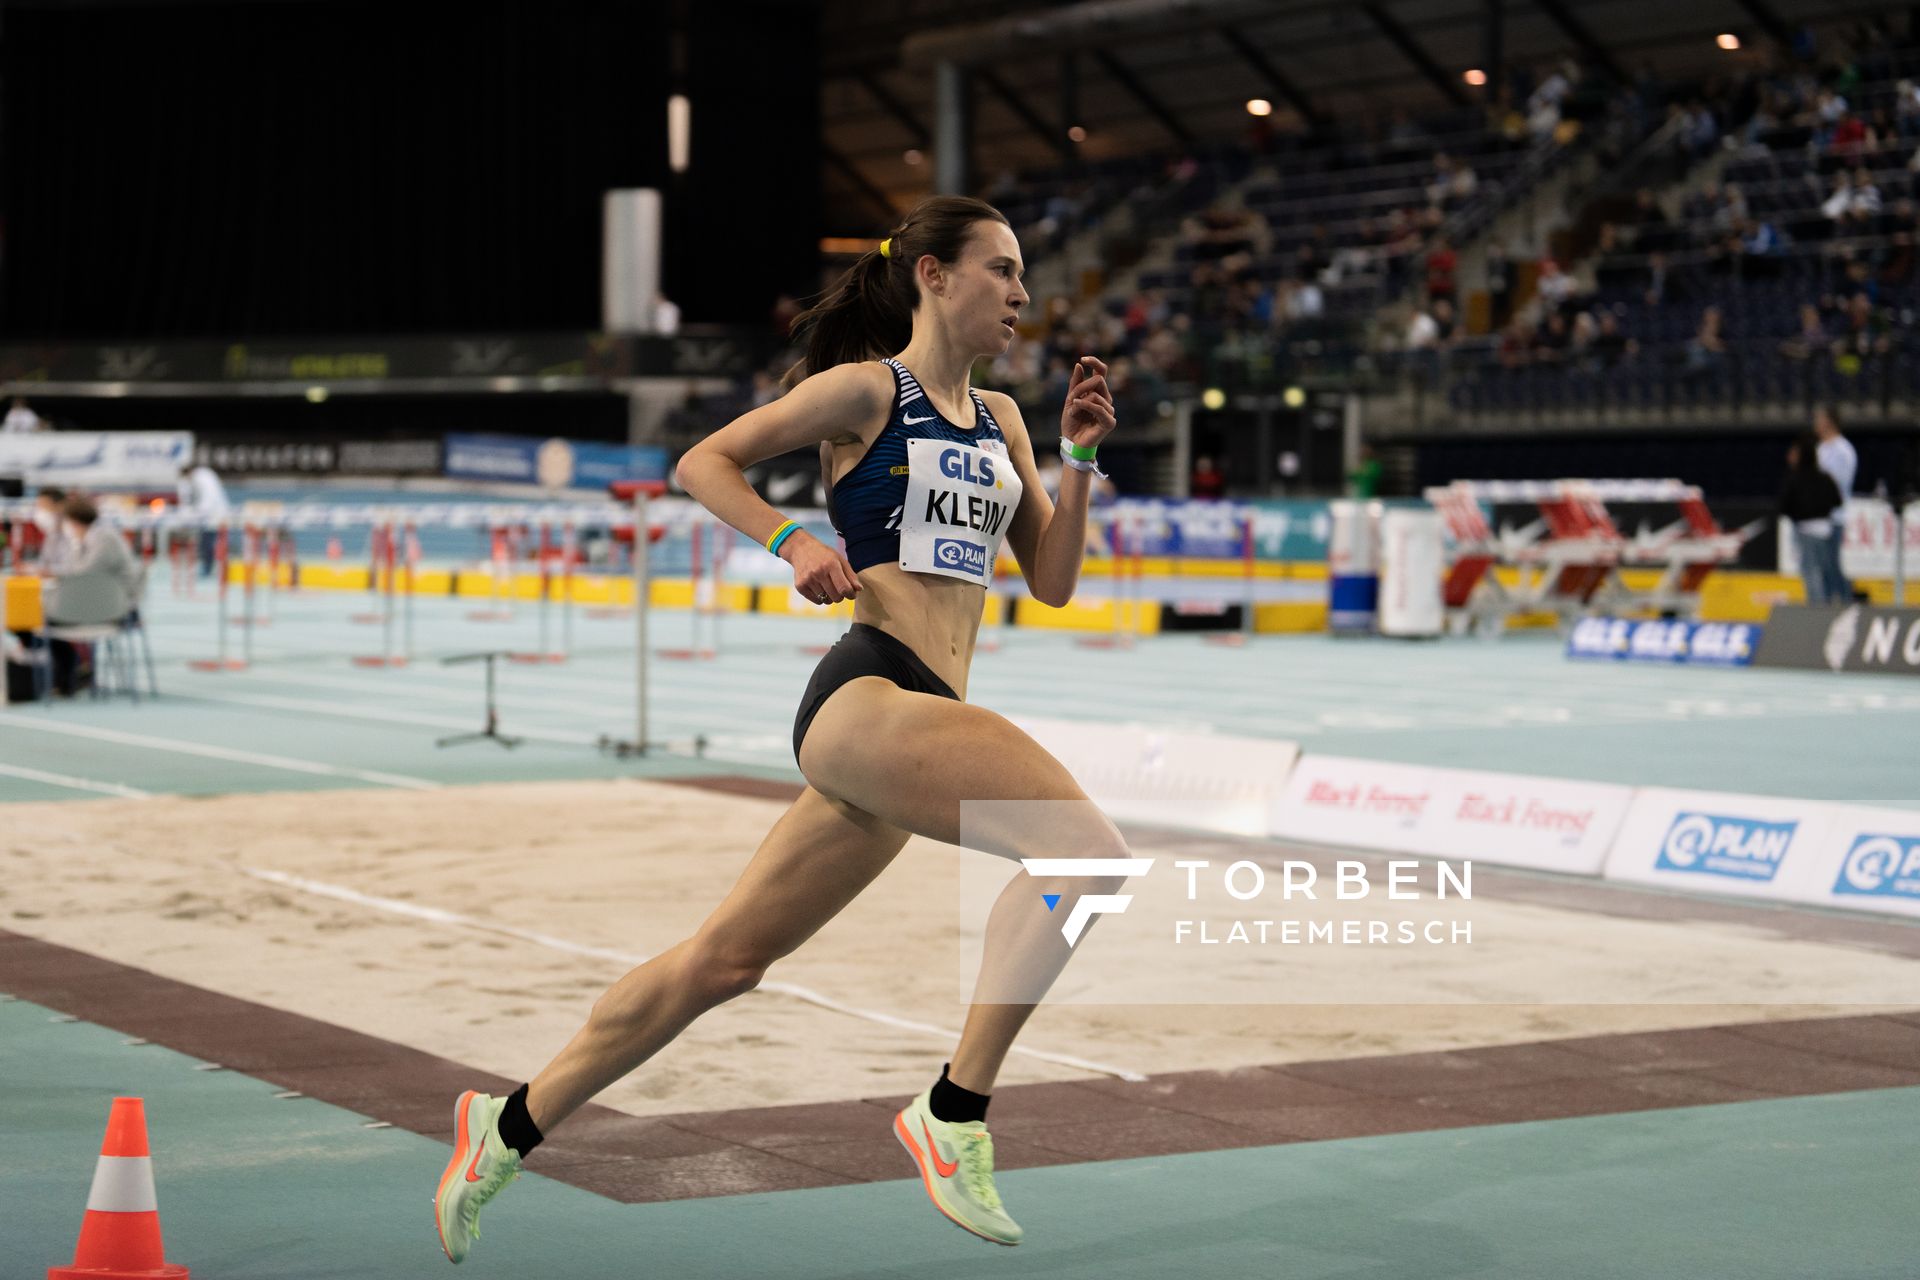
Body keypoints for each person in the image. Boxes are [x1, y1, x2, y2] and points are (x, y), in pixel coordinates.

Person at [433, 196, 1122, 1262]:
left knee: (722, 960)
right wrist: (794, 539)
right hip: (870, 690)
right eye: (1002, 268)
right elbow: (704, 462)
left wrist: (1075, 460)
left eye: (1023, 273)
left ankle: (507, 1124)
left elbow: (1059, 580)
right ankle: (953, 1111)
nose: (1023, 292)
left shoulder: (1006, 423)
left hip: (914, 725)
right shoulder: (864, 391)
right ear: (934, 275)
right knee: (1084, 855)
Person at [45, 496, 141, 694]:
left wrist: (53, 572)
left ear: (73, 521)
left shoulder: (104, 539)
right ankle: (72, 673)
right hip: (96, 605)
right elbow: (75, 571)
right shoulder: (85, 539)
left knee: (44, 619)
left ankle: (72, 673)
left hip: (114, 610)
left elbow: (83, 573)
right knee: (39, 618)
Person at [1780, 434, 1845, 604]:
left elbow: (1784, 506)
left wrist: (1801, 514)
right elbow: (1837, 500)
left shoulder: (1795, 479)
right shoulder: (1825, 477)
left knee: (1811, 571)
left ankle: (1817, 609)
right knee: (1826, 570)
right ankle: (1830, 604)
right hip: (1826, 529)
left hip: (1806, 530)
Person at [1813, 405, 1857, 601]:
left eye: (1819, 419)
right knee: (1821, 567)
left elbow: (1839, 484)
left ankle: (1846, 602)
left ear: (1829, 422)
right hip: (1817, 518)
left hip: (1834, 517)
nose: (1815, 424)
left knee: (1832, 565)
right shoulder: (1820, 448)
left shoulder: (1843, 450)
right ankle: (1827, 606)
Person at [176, 460, 231, 578]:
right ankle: (210, 568)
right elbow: (193, 499)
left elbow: (208, 498)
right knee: (208, 543)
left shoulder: (201, 477)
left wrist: (195, 513)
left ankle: (210, 569)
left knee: (210, 544)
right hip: (211, 514)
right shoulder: (200, 476)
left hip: (214, 514)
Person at [32, 487, 74, 573]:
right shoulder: (50, 521)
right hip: (54, 568)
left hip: (68, 571)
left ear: (58, 504)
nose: (40, 507)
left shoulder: (72, 525)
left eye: (44, 504)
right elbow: (48, 552)